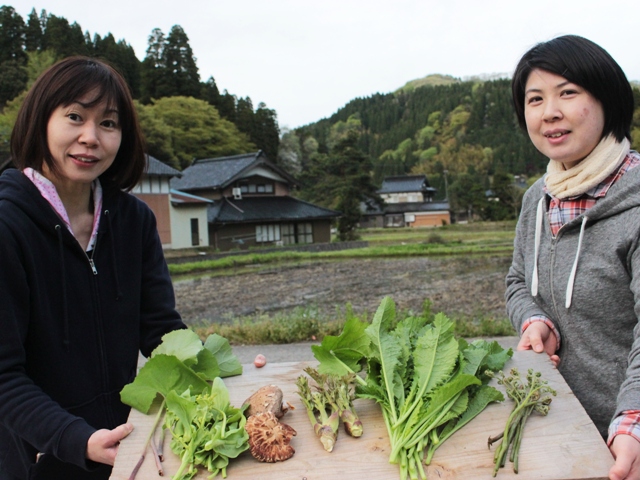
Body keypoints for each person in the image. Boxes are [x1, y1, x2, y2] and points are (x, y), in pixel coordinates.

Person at [0, 56, 186, 479]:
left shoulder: (133, 220)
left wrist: (213, 369)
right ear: (40, 120)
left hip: (125, 443)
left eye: (108, 123)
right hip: (42, 456)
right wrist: (75, 439)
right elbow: (3, 376)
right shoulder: (7, 226)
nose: (90, 137)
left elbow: (160, 329)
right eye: (74, 116)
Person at [506, 35, 640, 480]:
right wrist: (533, 320)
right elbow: (517, 282)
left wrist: (633, 420)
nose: (549, 113)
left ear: (607, 99)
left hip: (624, 437)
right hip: (559, 424)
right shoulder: (538, 199)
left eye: (567, 93)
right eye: (535, 99)